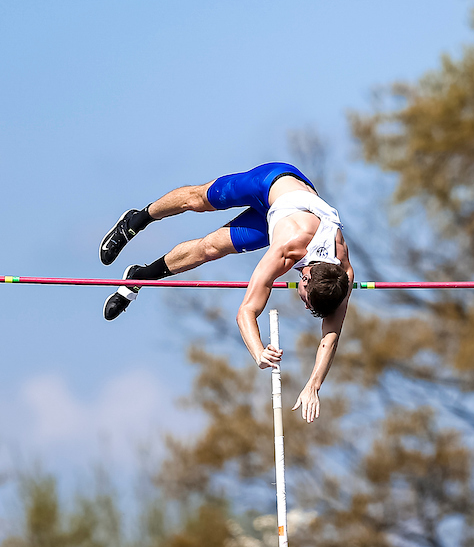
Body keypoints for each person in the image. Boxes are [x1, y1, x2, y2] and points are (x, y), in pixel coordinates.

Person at [99, 162, 353, 423]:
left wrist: (313, 385)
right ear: (307, 278)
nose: (305, 306)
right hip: (269, 183)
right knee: (197, 200)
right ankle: (135, 221)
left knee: (210, 248)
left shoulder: (342, 275)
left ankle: (141, 277)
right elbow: (246, 311)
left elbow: (331, 334)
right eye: (306, 300)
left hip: (283, 214)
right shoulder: (284, 251)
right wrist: (258, 352)